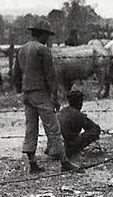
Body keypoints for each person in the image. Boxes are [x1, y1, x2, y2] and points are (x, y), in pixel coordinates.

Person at [13, 19, 78, 174]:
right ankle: (64, 162)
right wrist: (55, 96)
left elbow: (16, 73)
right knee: (53, 127)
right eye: (47, 35)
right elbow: (50, 76)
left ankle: (32, 163)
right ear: (42, 34)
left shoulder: (21, 50)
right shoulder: (43, 50)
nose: (48, 39)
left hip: (27, 94)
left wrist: (19, 89)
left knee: (31, 128)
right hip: (41, 94)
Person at [58, 90, 101, 158]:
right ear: (79, 102)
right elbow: (94, 128)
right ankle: (73, 150)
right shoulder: (78, 115)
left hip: (60, 144)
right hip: (69, 145)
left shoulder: (63, 111)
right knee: (95, 131)